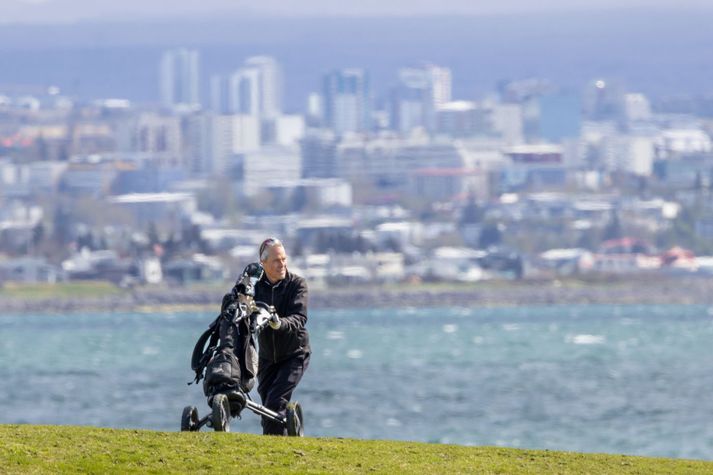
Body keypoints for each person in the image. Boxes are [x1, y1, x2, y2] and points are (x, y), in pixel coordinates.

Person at [230, 237, 311, 435]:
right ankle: (281, 445)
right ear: (263, 263)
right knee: (268, 408)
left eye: (284, 259)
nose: (282, 264)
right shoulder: (255, 288)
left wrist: (278, 323)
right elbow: (236, 305)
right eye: (276, 260)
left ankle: (273, 452)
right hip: (266, 359)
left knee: (275, 403)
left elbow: (299, 318)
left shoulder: (297, 284)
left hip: (295, 354)